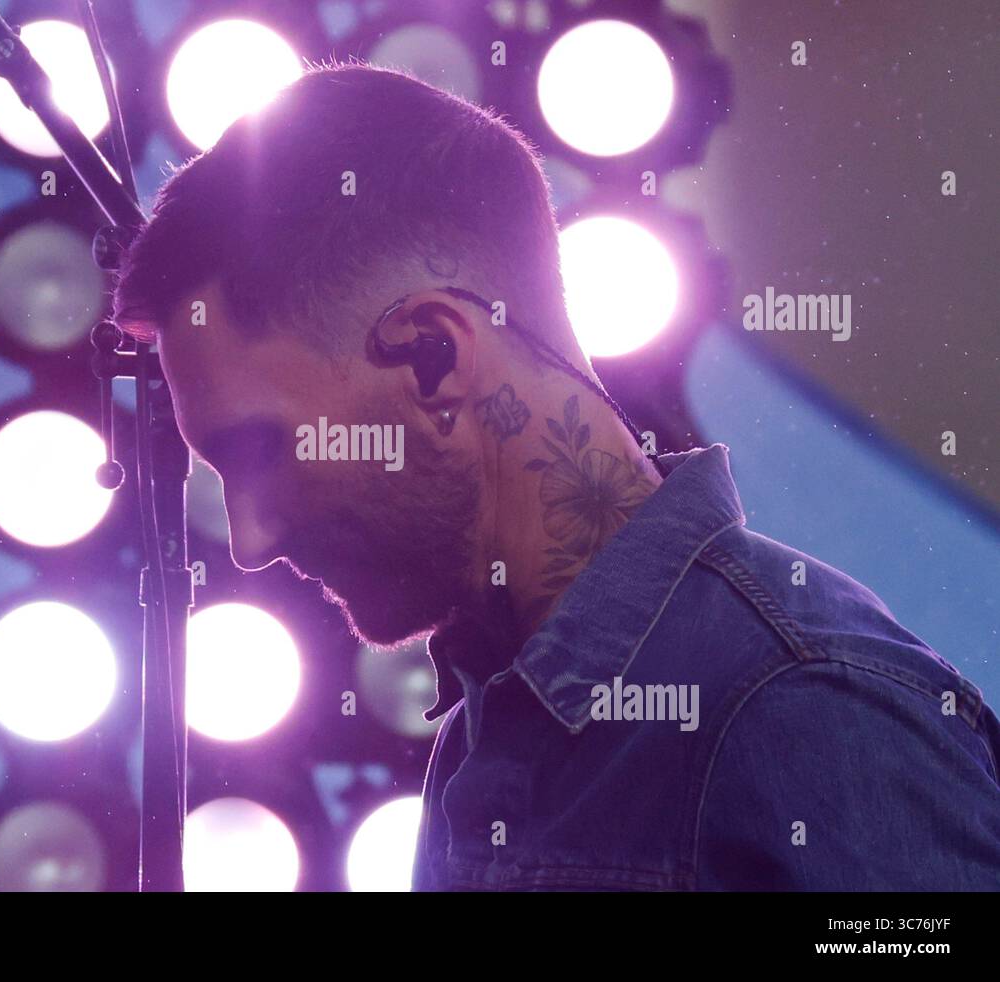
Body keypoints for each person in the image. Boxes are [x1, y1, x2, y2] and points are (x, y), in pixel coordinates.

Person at [114, 62, 1000, 890]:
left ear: (433, 357)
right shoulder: (484, 733)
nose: (250, 540)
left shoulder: (806, 708)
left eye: (260, 451)